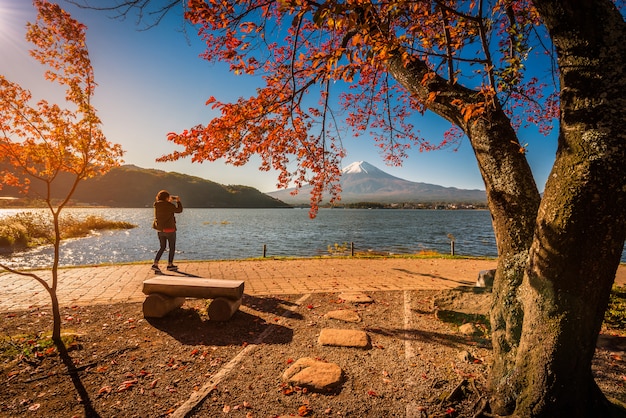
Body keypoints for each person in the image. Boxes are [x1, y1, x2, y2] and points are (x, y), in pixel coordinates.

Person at [151, 190, 183, 272]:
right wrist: (178, 201)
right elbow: (179, 210)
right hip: (170, 229)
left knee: (162, 247)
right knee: (172, 248)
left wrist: (168, 201)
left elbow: (164, 207)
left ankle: (155, 264)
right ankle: (170, 265)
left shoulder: (156, 205)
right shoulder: (169, 205)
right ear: (166, 198)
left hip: (160, 230)